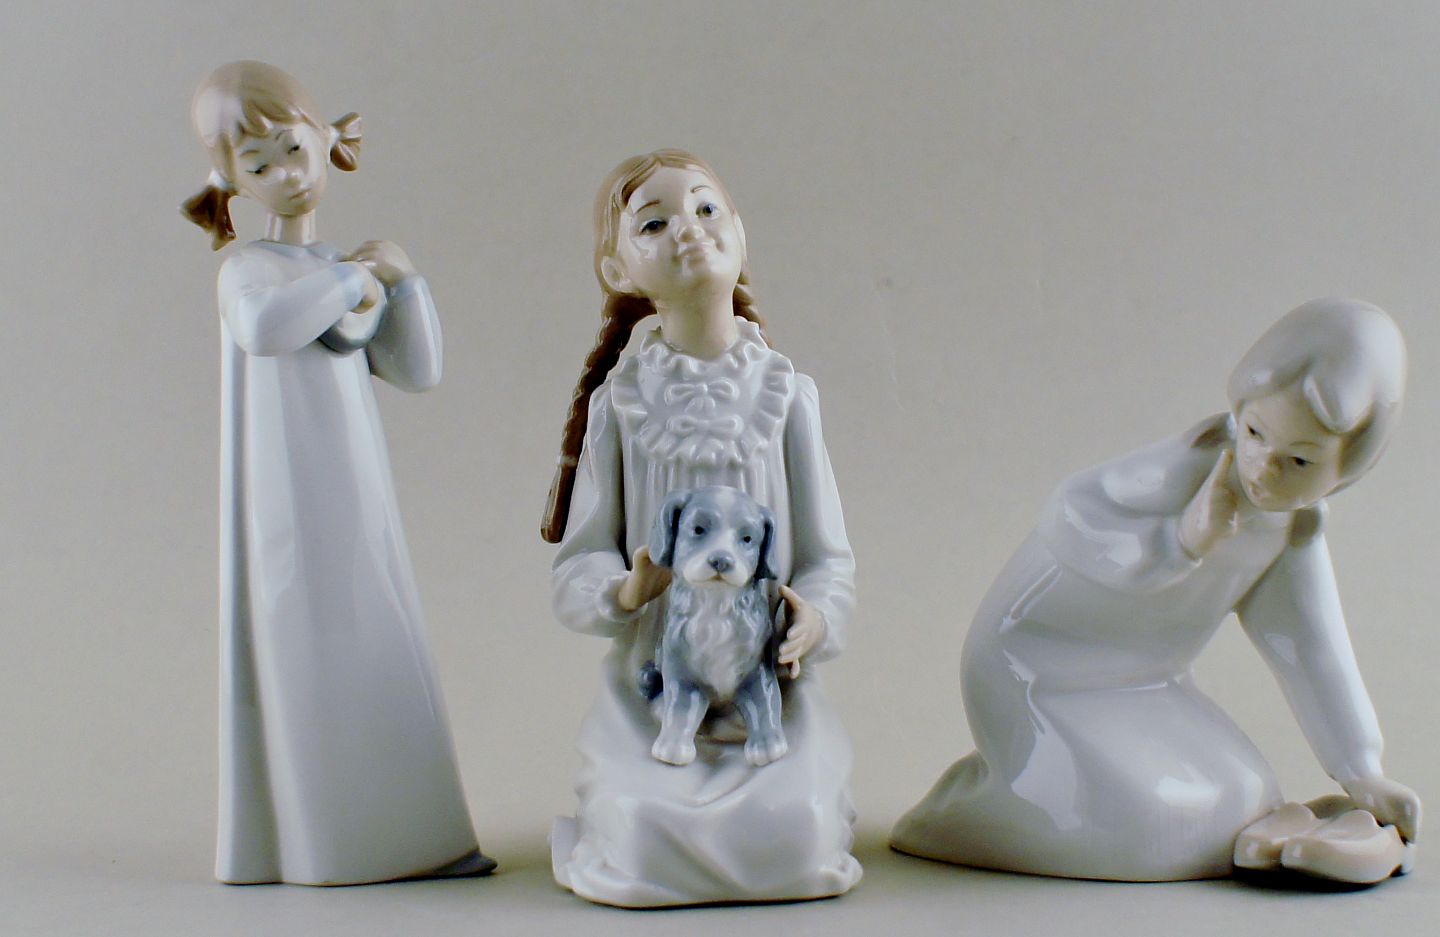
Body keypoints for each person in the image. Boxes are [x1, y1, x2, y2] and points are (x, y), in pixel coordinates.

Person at [890, 298, 1419, 883]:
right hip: (1034, 669)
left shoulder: (1291, 527)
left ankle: (1318, 835)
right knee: (1152, 827)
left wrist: (1360, 769)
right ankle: (966, 812)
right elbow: (1071, 515)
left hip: (1149, 684)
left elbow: (1312, 649)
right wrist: (1181, 541)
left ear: (1347, 471)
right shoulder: (1186, 469)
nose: (1263, 467)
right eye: (1254, 432)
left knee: (1247, 794)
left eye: (1299, 460)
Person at [184, 61, 491, 885]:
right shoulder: (251, 270)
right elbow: (265, 327)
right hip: (286, 504)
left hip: (360, 503)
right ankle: (327, 845)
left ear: (325, 140)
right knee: (304, 656)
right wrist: (355, 277)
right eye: (260, 165)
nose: (288, 174)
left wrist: (406, 283)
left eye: (294, 148)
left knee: (384, 644)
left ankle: (417, 835)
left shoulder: (337, 269)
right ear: (234, 183)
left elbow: (417, 369)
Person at [543, 149, 862, 907]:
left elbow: (829, 559)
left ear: (741, 234)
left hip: (769, 693)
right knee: (640, 835)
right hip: (653, 692)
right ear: (618, 269)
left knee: (798, 831)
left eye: (706, 208)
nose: (688, 228)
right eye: (653, 223)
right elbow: (577, 564)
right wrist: (624, 592)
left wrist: (815, 619)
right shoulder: (620, 406)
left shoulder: (788, 396)